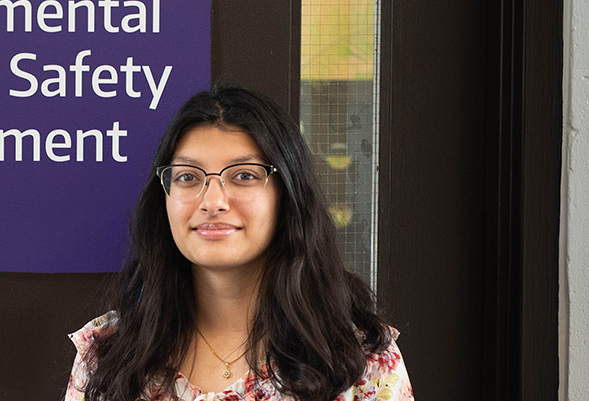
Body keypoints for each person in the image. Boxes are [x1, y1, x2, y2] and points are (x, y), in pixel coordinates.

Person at [64, 87, 412, 401]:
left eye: (244, 175)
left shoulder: (359, 359)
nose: (213, 201)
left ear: (287, 194)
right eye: (188, 177)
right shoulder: (110, 356)